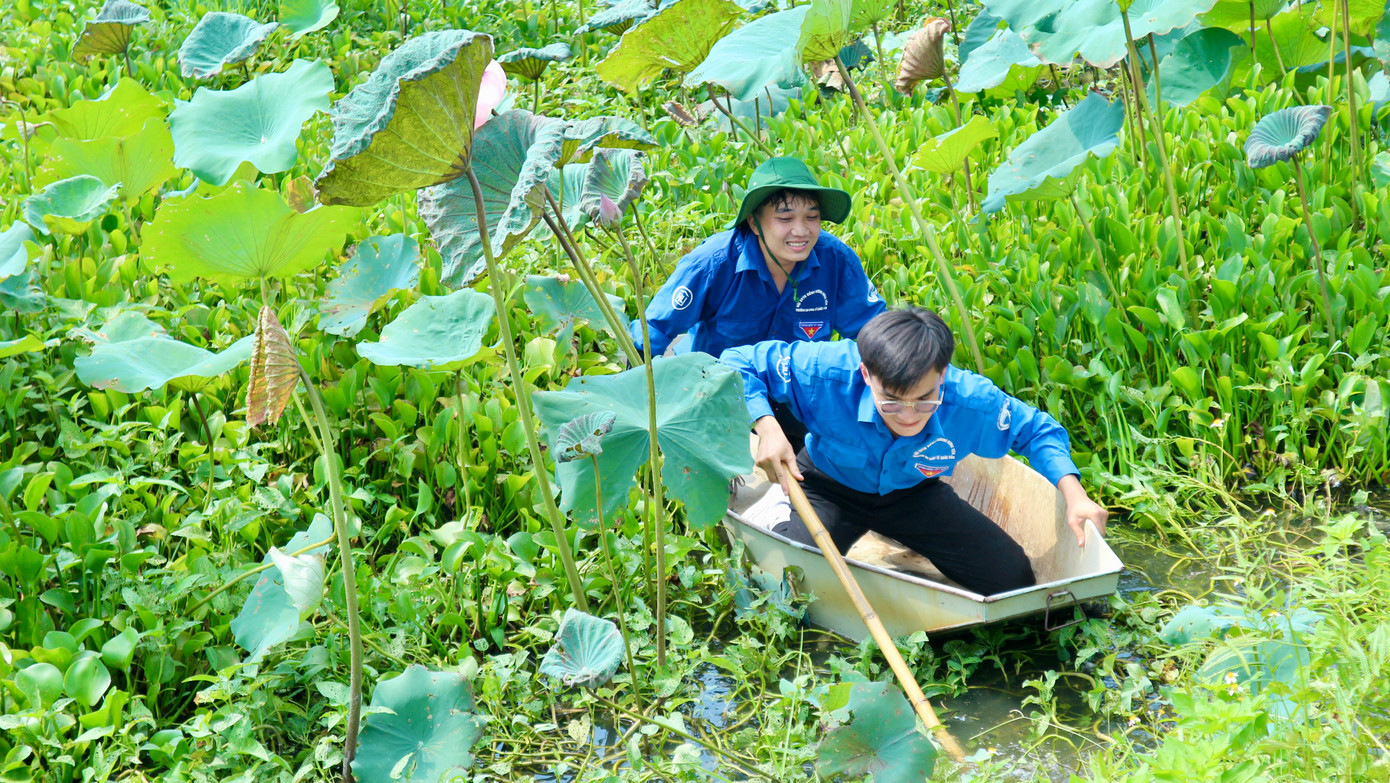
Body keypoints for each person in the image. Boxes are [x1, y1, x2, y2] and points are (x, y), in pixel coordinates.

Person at [719, 307, 1109, 597]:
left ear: (941, 375)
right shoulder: (824, 370)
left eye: (925, 400)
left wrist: (1075, 496)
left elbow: (1037, 430)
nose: (909, 416)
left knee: (1012, 580)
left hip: (913, 494)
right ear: (866, 374)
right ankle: (774, 508)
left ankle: (899, 535)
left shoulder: (969, 400)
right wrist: (767, 427)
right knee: (787, 584)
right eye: (890, 401)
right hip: (825, 484)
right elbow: (738, 362)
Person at [631, 156, 885, 451]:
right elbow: (649, 336)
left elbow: (877, 334)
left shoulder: (836, 260)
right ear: (754, 222)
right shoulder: (712, 264)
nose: (801, 231)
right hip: (715, 395)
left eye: (811, 217)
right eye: (785, 218)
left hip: (796, 394)